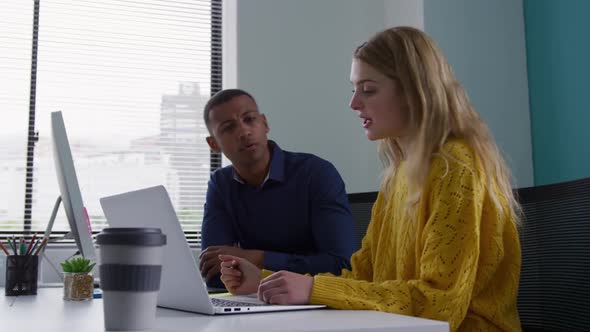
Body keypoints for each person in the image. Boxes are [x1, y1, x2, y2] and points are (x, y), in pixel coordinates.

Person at [219, 27, 522, 332]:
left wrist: (311, 289)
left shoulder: (455, 167)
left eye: (368, 89)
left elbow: (438, 305)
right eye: (354, 89)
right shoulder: (399, 175)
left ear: (413, 90)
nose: (354, 103)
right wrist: (267, 282)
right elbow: (363, 276)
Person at [200, 88, 356, 289]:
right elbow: (214, 271)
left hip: (318, 302)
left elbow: (341, 265)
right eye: (229, 128)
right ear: (214, 144)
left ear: (264, 124)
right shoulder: (220, 184)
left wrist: (257, 259)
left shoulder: (317, 173)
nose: (244, 131)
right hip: (254, 302)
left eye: (250, 119)